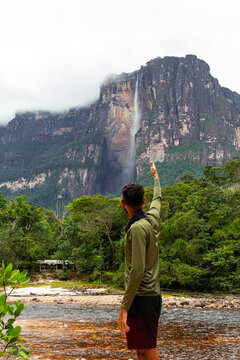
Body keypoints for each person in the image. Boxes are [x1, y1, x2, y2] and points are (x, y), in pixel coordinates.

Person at [118, 161, 162, 360]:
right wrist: (156, 178)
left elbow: (137, 270)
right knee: (140, 348)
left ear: (123, 203)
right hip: (149, 296)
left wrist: (124, 308)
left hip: (142, 296)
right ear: (143, 201)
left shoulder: (136, 229)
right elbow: (158, 201)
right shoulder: (151, 220)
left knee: (147, 348)